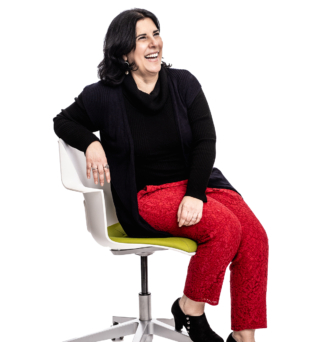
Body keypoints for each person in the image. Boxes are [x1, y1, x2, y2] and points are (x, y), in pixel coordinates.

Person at [53, 8, 268, 342]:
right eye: (142, 37)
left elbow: (205, 141)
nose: (154, 43)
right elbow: (62, 121)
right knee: (225, 227)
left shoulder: (183, 82)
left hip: (200, 185)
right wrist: (91, 142)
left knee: (254, 237)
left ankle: (244, 336)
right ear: (124, 52)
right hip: (148, 196)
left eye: (156, 33)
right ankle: (190, 309)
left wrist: (195, 193)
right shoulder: (104, 95)